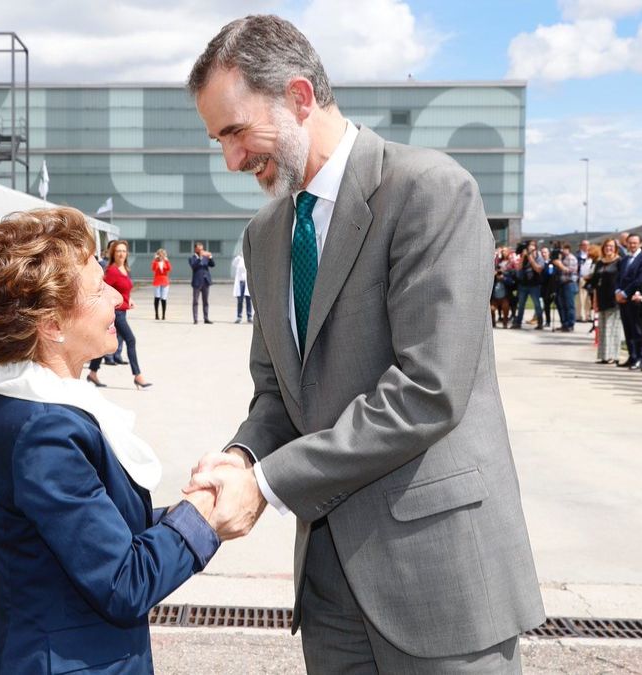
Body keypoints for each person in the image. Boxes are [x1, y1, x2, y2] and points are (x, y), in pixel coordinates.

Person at [184, 15, 544, 673]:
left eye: (235, 131)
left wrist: (265, 482)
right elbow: (277, 394)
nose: (231, 160)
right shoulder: (265, 235)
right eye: (218, 140)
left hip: (439, 578)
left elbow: (427, 391)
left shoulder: (429, 191)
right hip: (329, 586)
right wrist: (238, 455)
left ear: (299, 96)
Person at [0, 207, 220, 673]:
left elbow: (91, 528)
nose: (118, 297)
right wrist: (205, 519)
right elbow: (122, 581)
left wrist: (181, 513)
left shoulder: (36, 407)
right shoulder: (44, 430)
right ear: (51, 324)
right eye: (98, 290)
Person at [85, 240, 153, 389]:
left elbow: (123, 290)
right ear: (113, 253)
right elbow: (102, 290)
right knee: (131, 340)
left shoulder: (125, 269)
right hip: (115, 313)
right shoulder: (112, 271)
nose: (121, 253)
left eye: (123, 251)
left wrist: (129, 299)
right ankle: (138, 376)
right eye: (118, 251)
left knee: (104, 343)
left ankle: (92, 373)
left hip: (122, 311)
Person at [615, 233, 642, 370]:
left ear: (639, 243)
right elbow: (618, 278)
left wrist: (624, 293)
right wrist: (617, 291)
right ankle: (632, 356)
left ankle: (639, 358)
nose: (632, 245)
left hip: (634, 299)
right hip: (623, 300)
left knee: (637, 330)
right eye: (630, 243)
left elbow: (640, 280)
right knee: (627, 329)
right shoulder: (624, 259)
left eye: (635, 243)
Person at [587, 239, 622, 364]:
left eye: (611, 246)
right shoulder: (600, 263)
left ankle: (613, 355)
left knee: (612, 328)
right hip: (601, 297)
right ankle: (603, 355)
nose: (609, 248)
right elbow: (595, 282)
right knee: (602, 327)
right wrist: (595, 300)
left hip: (613, 298)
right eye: (606, 246)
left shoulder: (619, 262)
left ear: (616, 248)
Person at [511, 241, 545, 329]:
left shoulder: (539, 256)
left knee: (537, 305)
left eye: (532, 245)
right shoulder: (524, 256)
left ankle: (540, 323)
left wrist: (530, 256)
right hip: (523, 285)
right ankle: (518, 323)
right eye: (529, 246)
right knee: (521, 305)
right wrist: (523, 256)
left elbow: (538, 269)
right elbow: (518, 268)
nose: (530, 247)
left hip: (534, 285)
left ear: (535, 247)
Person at [553, 243, 579, 332]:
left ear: (568, 249)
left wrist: (559, 264)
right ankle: (564, 323)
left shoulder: (571, 258)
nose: (562, 251)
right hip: (560, 284)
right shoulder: (561, 258)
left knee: (569, 305)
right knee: (561, 305)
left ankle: (570, 324)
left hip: (569, 283)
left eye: (564, 249)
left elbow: (570, 271)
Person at [189, 242, 216, 324]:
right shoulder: (192, 258)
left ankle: (206, 318)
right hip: (197, 282)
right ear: (195, 249)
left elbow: (212, 265)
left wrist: (210, 257)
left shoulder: (206, 257)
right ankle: (195, 319)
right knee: (195, 301)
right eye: (199, 248)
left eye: (202, 248)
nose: (201, 250)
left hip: (206, 281)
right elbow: (194, 266)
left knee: (205, 301)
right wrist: (200, 257)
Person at [151, 248, 172, 320]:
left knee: (163, 298)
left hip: (165, 281)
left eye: (162, 254)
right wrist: (155, 260)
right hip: (157, 280)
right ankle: (156, 314)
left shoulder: (166, 262)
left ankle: (163, 315)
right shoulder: (155, 262)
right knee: (157, 297)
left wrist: (166, 260)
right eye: (159, 254)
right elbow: (153, 269)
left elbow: (169, 269)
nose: (161, 256)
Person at [232, 252, 253, 323]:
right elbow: (233, 264)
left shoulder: (250, 259)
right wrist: (238, 257)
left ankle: (249, 316)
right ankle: (239, 316)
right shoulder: (239, 259)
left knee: (248, 300)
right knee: (240, 300)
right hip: (240, 282)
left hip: (247, 282)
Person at [575, 239, 592, 322]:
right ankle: (580, 315)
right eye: (584, 245)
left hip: (590, 278)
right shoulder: (578, 256)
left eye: (587, 245)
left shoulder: (592, 255)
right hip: (582, 278)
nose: (586, 247)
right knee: (581, 298)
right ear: (581, 246)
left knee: (588, 299)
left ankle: (588, 315)